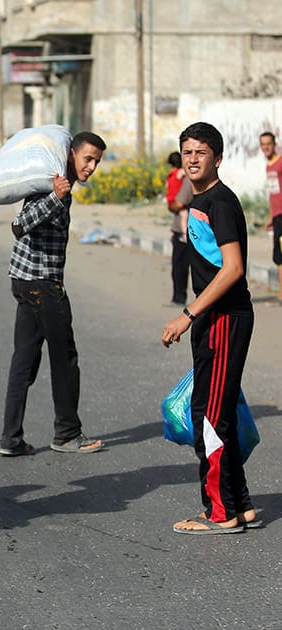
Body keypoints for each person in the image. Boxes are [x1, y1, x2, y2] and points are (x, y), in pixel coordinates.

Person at [162, 122, 258, 534]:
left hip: (222, 319)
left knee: (209, 417)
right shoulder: (200, 200)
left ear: (218, 158)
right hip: (215, 320)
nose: (193, 158)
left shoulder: (218, 202)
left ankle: (220, 513)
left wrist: (187, 315)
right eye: (187, 151)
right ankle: (242, 506)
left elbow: (233, 269)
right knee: (220, 414)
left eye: (201, 151)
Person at [0, 131, 107, 457]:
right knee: (65, 360)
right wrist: (56, 197)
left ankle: (10, 439)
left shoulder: (60, 186)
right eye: (87, 158)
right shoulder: (53, 184)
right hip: (41, 284)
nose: (91, 167)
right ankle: (67, 434)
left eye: (97, 162)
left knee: (24, 361)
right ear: (71, 153)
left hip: (24, 280)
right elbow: (20, 225)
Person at [259, 131, 282, 301]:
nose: (266, 147)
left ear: (275, 144)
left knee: (280, 255)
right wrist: (270, 216)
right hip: (276, 215)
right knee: (278, 255)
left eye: (268, 143)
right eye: (263, 144)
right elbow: (273, 193)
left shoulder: (280, 163)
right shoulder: (269, 165)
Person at [166, 151, 189, 305]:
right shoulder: (182, 176)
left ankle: (179, 297)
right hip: (181, 224)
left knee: (179, 266)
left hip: (184, 230)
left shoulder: (186, 180)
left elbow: (179, 204)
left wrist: (172, 206)